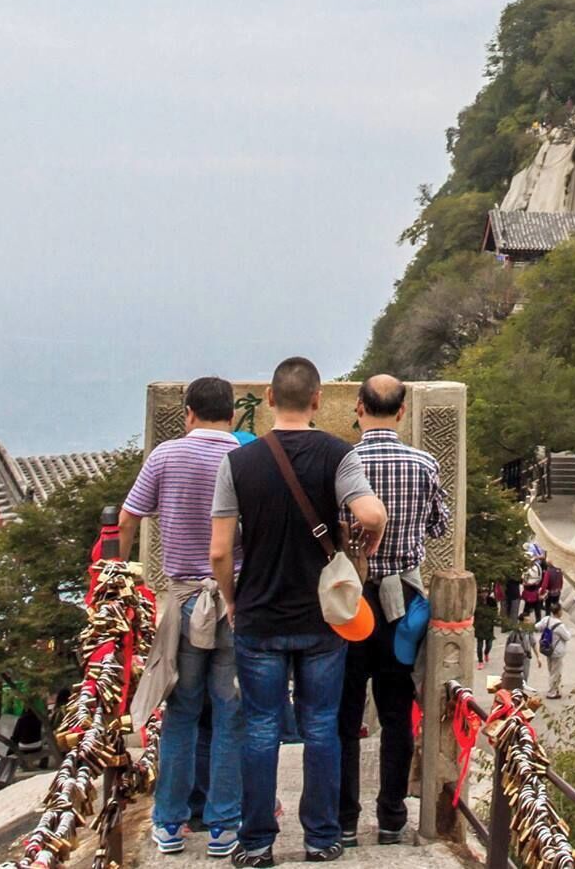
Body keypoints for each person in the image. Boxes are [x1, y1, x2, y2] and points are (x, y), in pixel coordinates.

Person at [211, 357, 387, 867]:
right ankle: (321, 837)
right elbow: (371, 513)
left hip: (259, 614)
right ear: (317, 401)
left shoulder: (237, 463)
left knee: (261, 727)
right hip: (321, 618)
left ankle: (258, 842)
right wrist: (365, 552)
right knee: (322, 725)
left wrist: (230, 599)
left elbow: (220, 551)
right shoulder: (338, 454)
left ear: (268, 399)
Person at [118, 376, 243, 858]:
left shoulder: (165, 456)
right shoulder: (245, 458)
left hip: (184, 600)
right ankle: (224, 825)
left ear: (188, 412)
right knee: (231, 714)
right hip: (236, 600)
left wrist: (118, 579)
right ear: (233, 414)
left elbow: (128, 517)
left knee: (181, 711)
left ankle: (169, 822)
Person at [336, 374, 450, 848]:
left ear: (359, 406)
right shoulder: (423, 463)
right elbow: (439, 527)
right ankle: (391, 817)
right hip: (403, 601)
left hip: (350, 601)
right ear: (402, 411)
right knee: (397, 711)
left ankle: (342, 817)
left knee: (344, 713)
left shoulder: (343, 464)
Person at [538, 603, 571, 699]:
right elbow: (567, 637)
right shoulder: (560, 625)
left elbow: (538, 626)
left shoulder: (546, 620)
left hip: (547, 649)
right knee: (556, 672)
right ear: (559, 612)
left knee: (551, 670)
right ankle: (552, 691)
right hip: (557, 651)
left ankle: (555, 688)